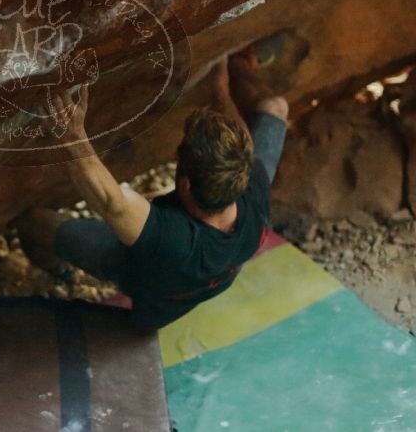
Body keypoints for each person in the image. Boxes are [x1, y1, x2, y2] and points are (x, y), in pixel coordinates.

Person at [15, 51, 289, 332]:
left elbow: (112, 203)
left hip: (153, 289)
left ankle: (61, 271)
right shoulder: (251, 180)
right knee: (275, 107)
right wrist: (220, 87)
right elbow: (240, 134)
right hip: (222, 272)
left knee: (32, 223)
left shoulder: (173, 240)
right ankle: (241, 64)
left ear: (185, 184)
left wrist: (71, 136)